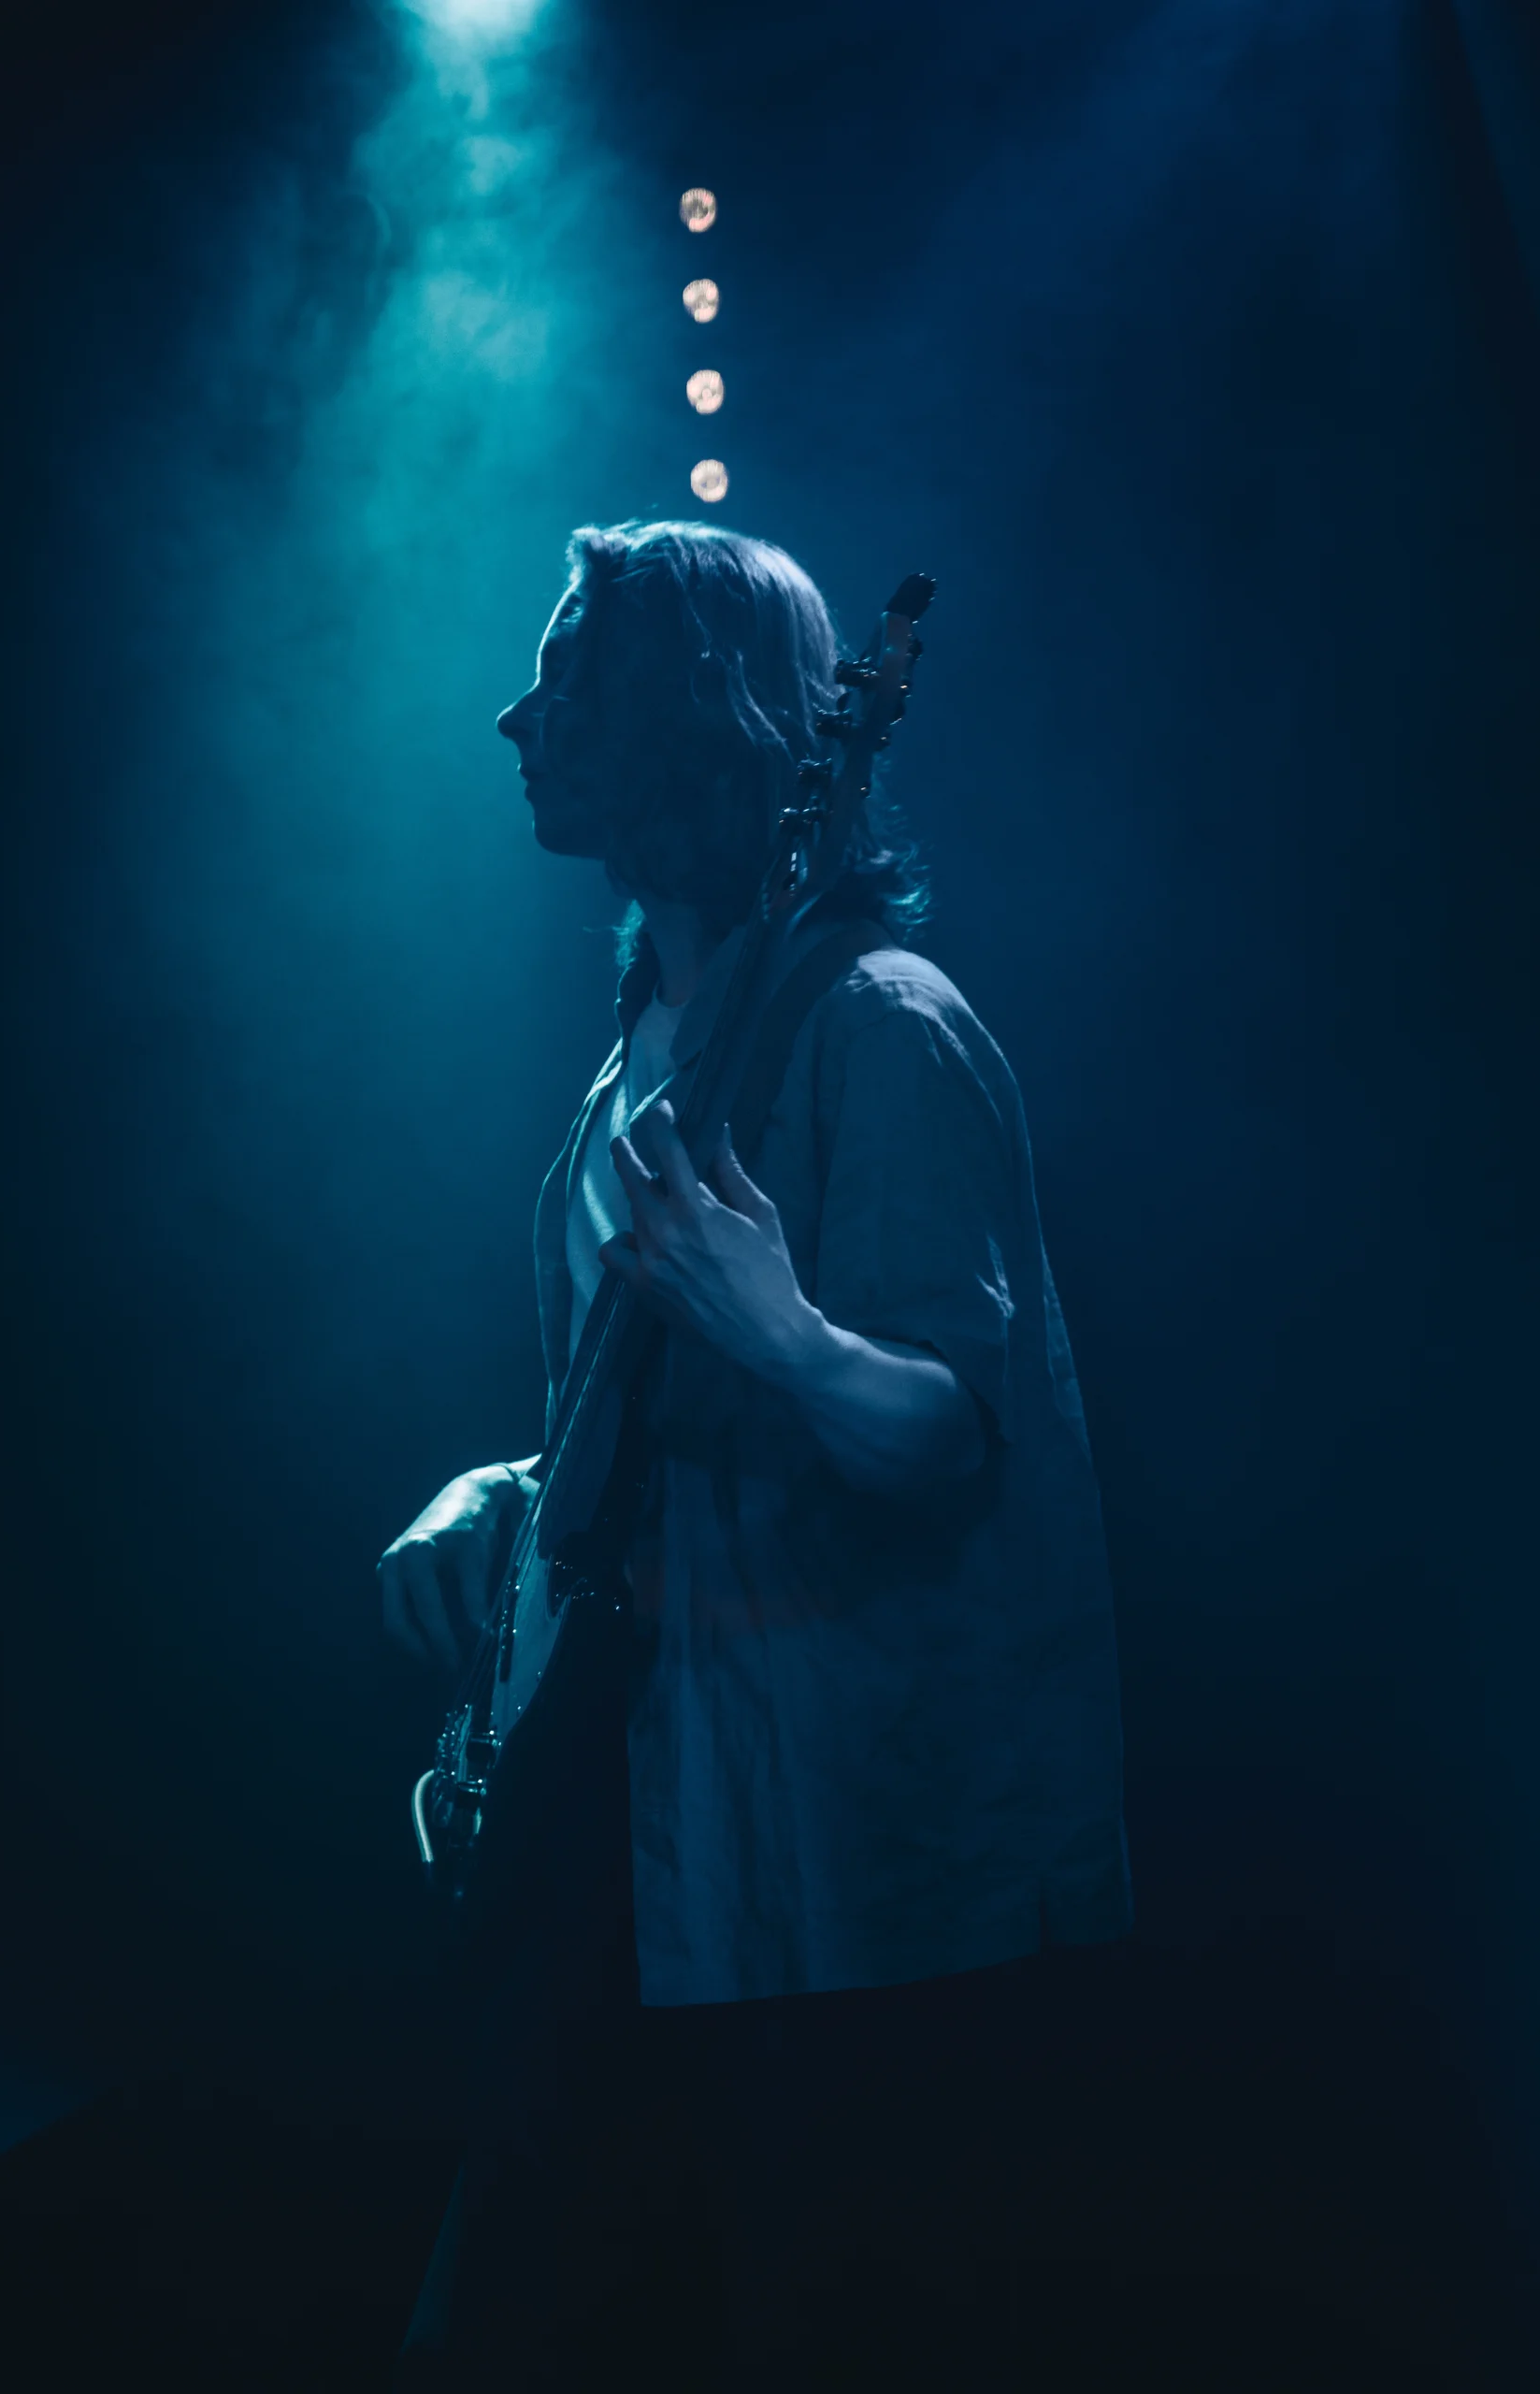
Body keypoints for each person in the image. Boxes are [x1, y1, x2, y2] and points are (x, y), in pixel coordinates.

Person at [379, 520, 1132, 2389]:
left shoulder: (879, 1022)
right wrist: (507, 1493)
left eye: (563, 675)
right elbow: (653, 1425)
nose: (515, 717)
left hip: (819, 1890)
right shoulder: (635, 1058)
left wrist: (782, 1329)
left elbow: (952, 1435)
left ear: (687, 707)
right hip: (637, 1848)